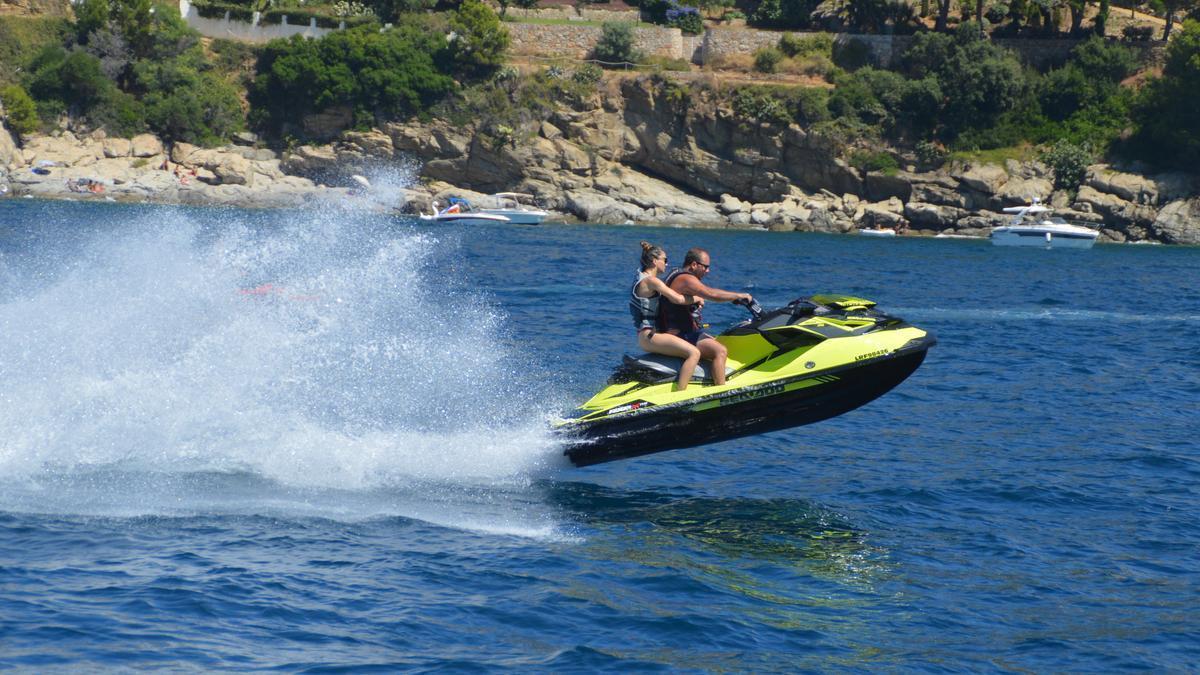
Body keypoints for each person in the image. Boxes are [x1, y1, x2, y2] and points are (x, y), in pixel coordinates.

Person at [658, 247, 753, 387]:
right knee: (720, 351)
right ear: (694, 265)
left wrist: (694, 301)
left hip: (683, 331)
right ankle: (721, 391)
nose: (708, 271)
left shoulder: (676, 273)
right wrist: (739, 295)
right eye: (705, 267)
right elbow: (711, 294)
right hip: (680, 334)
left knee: (715, 340)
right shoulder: (686, 279)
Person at [630, 242, 705, 391]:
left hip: (646, 335)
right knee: (694, 353)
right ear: (654, 261)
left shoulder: (639, 276)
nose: (667, 263)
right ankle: (680, 395)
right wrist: (697, 298)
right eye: (665, 259)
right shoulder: (652, 281)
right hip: (650, 335)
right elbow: (677, 299)